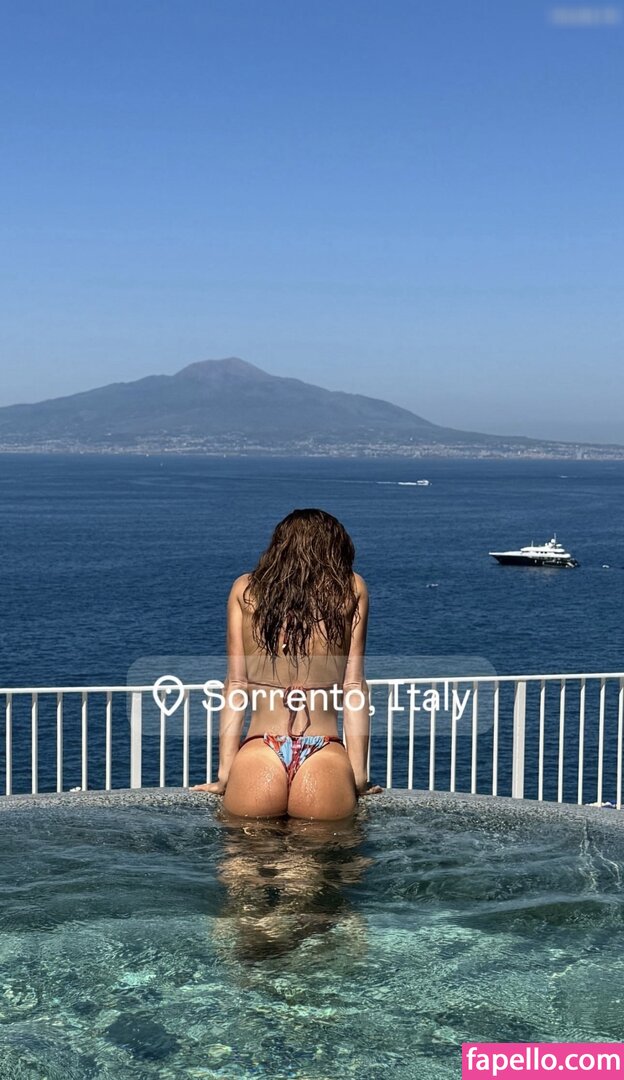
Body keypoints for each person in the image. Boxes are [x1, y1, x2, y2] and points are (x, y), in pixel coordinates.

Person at [192, 508, 382, 819]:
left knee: (245, 848)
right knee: (328, 848)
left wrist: (225, 774)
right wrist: (358, 777)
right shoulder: (351, 588)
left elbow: (236, 685)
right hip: (324, 752)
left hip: (259, 751)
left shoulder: (245, 590)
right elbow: (353, 687)